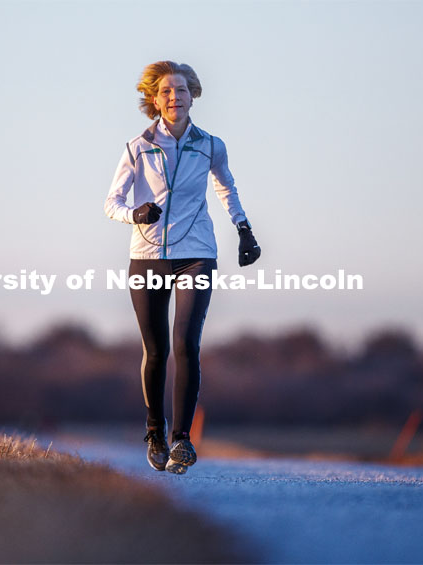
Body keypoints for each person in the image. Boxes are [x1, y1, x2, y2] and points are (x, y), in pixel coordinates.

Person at [104, 60, 261, 474]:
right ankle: (155, 430)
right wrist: (135, 214)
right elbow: (110, 204)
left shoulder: (210, 145)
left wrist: (244, 229)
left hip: (196, 253)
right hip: (148, 254)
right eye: (167, 92)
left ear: (194, 95)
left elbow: (226, 186)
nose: (175, 97)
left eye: (182, 90)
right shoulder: (137, 147)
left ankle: (182, 441)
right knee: (155, 350)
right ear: (154, 100)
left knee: (186, 344)